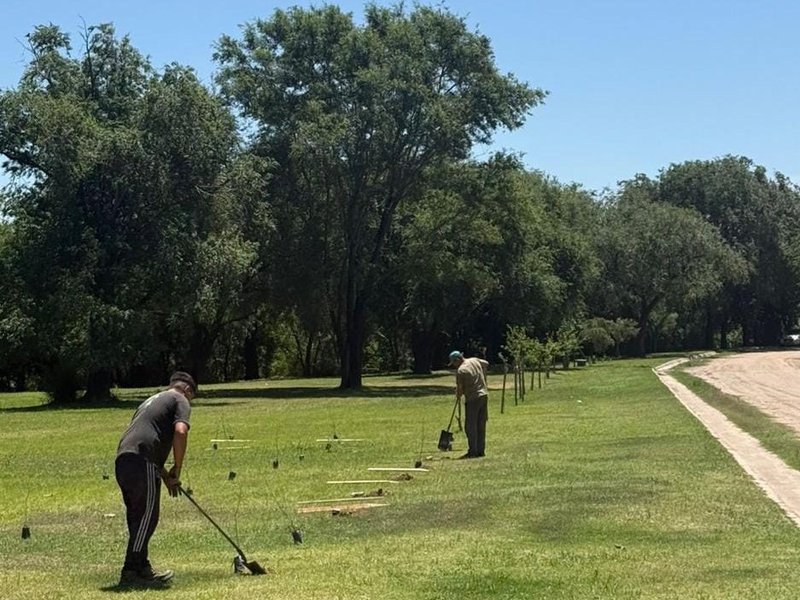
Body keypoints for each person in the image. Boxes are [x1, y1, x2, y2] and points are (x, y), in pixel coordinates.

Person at [115, 371, 196, 588]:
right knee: (147, 518)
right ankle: (130, 572)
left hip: (125, 460)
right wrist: (177, 468)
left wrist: (166, 478)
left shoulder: (151, 402)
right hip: (142, 462)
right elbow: (180, 432)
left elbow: (146, 437)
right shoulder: (180, 398)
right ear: (188, 390)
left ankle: (142, 568)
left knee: (138, 517)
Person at [448, 350, 489, 459]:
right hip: (484, 395)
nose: (454, 366)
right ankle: (481, 451)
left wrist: (457, 394)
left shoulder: (461, 371)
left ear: (458, 360)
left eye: (454, 363)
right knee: (481, 424)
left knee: (470, 426)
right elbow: (486, 363)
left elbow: (460, 389)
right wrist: (482, 377)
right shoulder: (474, 360)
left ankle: (473, 451)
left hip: (473, 398)